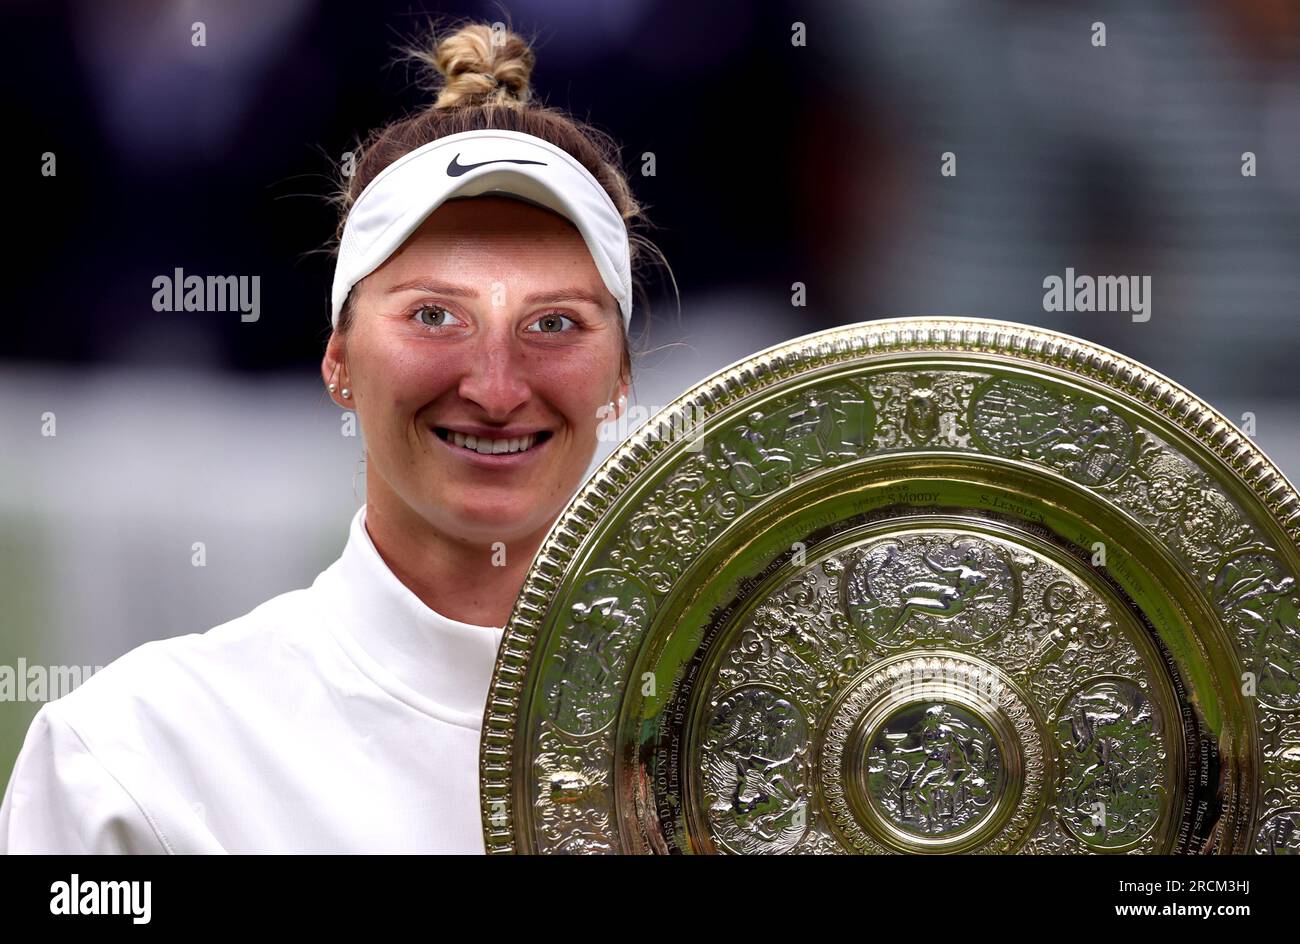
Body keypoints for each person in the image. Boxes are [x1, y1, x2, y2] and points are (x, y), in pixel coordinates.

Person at [0, 20, 666, 854]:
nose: (495, 388)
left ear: (621, 382)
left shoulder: (756, 743)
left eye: (555, 322)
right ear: (339, 360)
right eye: (435, 316)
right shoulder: (133, 761)